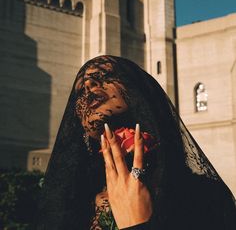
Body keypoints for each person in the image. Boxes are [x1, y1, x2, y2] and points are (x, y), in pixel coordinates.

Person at [36, 55, 236, 230]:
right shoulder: (70, 201)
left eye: (104, 77)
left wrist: (138, 222)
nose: (88, 85)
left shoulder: (204, 196)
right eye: (80, 89)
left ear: (139, 93)